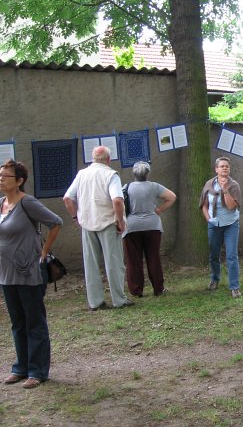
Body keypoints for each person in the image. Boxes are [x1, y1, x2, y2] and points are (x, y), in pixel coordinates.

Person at [0, 160, 62, 389]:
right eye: (0, 175)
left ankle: (38, 371)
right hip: (6, 273)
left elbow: (56, 223)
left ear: (19, 181)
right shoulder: (1, 204)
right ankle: (21, 368)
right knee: (17, 322)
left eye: (6, 176)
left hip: (28, 272)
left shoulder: (28, 203)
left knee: (34, 322)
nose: (1, 179)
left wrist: (43, 253)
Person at [63, 146, 134, 310]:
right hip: (108, 222)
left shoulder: (82, 174)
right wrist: (120, 221)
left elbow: (67, 198)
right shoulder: (110, 174)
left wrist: (75, 216)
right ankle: (119, 299)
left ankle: (95, 301)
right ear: (108, 159)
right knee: (114, 262)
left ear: (93, 159)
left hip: (87, 223)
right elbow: (117, 200)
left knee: (91, 264)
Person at [123, 161, 177, 297]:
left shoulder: (126, 187)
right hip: (152, 226)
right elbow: (172, 197)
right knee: (153, 257)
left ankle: (136, 290)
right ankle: (158, 288)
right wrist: (159, 209)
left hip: (131, 226)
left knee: (133, 259)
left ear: (134, 173)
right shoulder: (154, 187)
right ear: (148, 173)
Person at [199, 157, 242, 298]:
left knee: (231, 255)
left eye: (227, 166)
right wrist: (209, 219)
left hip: (231, 224)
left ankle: (234, 287)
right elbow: (204, 205)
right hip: (214, 224)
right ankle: (214, 279)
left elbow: (231, 206)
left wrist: (225, 190)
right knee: (214, 255)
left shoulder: (234, 185)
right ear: (216, 169)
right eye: (222, 166)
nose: (224, 168)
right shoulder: (209, 184)